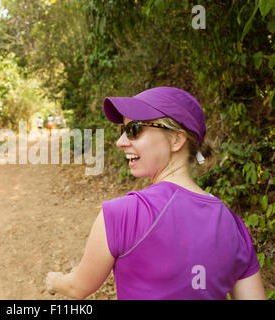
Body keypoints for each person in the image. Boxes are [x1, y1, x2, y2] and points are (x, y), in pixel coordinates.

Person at [45, 86, 266, 300]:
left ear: (176, 139)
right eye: (123, 131)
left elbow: (77, 287)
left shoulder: (123, 214)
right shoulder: (232, 224)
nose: (120, 142)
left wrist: (55, 280)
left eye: (134, 130)